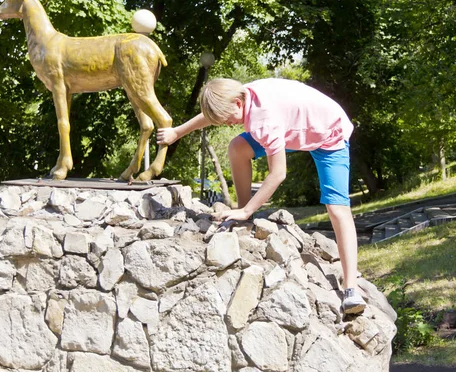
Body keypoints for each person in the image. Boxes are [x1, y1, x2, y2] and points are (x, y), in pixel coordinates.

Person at [157, 78, 366, 315]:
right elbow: (212, 115)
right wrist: (177, 132)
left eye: (227, 119)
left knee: (337, 209)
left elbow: (278, 174)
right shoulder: (242, 95)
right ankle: (244, 214)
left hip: (329, 133)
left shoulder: (263, 119)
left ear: (238, 103)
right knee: (238, 147)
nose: (227, 124)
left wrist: (245, 211)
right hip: (294, 128)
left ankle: (351, 289)